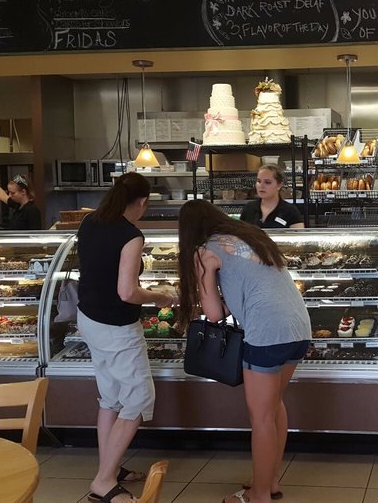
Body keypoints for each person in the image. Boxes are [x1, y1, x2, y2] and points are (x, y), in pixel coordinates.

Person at [176, 199, 311, 503]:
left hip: (266, 333)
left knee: (261, 417)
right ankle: (270, 480)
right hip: (299, 328)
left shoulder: (204, 251)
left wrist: (211, 291)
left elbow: (213, 314)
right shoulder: (252, 236)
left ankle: (259, 494)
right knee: (273, 406)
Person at [77, 172, 177, 503]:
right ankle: (104, 482)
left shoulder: (90, 221)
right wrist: (160, 296)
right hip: (117, 328)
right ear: (143, 202)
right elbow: (127, 292)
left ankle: (110, 468)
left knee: (111, 398)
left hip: (89, 319)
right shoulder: (131, 235)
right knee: (138, 398)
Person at [239, 164, 304, 229]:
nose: (261, 186)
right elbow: (240, 233)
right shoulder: (249, 208)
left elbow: (298, 234)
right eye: (259, 181)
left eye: (267, 182)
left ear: (279, 185)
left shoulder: (290, 211)